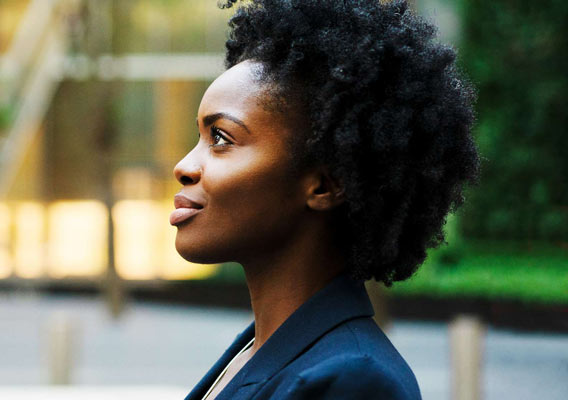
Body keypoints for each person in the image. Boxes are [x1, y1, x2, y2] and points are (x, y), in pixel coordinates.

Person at [169, 0, 479, 399]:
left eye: (221, 139)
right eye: (200, 137)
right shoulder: (261, 351)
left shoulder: (352, 380)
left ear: (324, 186)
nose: (184, 166)